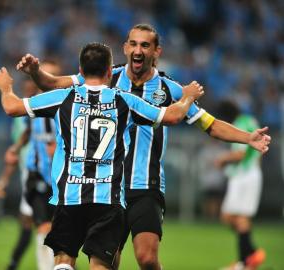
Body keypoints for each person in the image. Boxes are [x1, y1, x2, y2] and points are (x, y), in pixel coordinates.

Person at [15, 24, 271, 270]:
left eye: (145, 45)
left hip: (145, 186)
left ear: (156, 51)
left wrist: (248, 138)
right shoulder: (107, 75)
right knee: (106, 261)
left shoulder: (169, 88)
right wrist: (35, 72)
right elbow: (54, 84)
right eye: (134, 44)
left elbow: (210, 124)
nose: (138, 50)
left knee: (147, 258)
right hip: (107, 189)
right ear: (125, 47)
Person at [0, 42, 204, 270]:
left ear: (81, 71)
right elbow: (171, 116)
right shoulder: (124, 100)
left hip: (71, 196)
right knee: (101, 265)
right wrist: (187, 97)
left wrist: (6, 88)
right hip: (108, 199)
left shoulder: (64, 98)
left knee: (63, 261)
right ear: (109, 71)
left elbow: (12, 107)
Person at [0, 61, 61, 270]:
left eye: (53, 76)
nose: (47, 80)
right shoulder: (35, 104)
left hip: (61, 178)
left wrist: (60, 147)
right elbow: (26, 129)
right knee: (41, 226)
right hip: (37, 176)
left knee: (61, 231)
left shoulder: (68, 104)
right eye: (45, 75)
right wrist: (15, 148)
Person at [214, 101, 266, 270]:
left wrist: (222, 159)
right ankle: (251, 254)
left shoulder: (240, 124)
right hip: (247, 174)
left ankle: (245, 262)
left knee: (240, 217)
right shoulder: (249, 120)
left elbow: (240, 153)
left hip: (244, 175)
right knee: (228, 216)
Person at [0, 115, 34, 270]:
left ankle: (13, 264)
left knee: (46, 224)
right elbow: (15, 153)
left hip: (51, 174)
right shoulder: (19, 119)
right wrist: (4, 179)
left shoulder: (52, 106)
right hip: (29, 174)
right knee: (28, 221)